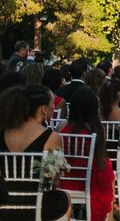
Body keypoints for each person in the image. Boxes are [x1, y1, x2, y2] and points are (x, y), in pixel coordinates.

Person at [0, 85, 71, 221]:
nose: (54, 107)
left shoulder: (4, 133)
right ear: (44, 109)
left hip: (3, 205)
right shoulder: (52, 137)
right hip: (36, 207)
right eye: (52, 104)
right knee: (64, 197)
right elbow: (53, 182)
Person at [58, 87, 114, 221]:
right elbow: (101, 157)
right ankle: (110, 217)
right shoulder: (97, 128)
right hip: (87, 181)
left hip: (65, 178)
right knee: (109, 173)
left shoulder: (61, 126)